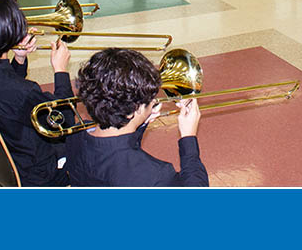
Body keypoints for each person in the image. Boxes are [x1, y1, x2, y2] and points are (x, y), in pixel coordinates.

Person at [0, 0, 72, 187]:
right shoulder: (26, 92)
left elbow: (6, 90)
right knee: (96, 137)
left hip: (2, 158)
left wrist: (19, 59)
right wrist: (61, 71)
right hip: (38, 172)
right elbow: (64, 121)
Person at [66, 48, 208, 187]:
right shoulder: (155, 175)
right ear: (133, 110)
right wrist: (188, 138)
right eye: (150, 99)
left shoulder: (76, 134)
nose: (154, 102)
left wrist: (138, 124)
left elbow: (116, 154)